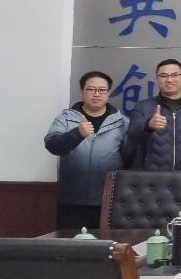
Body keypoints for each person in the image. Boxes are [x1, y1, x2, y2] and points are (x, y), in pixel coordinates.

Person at [44, 70, 133, 230]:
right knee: (73, 243)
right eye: (91, 89)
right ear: (82, 91)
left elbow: (130, 157)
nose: (96, 94)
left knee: (107, 243)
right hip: (72, 200)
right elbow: (52, 145)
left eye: (102, 90)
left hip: (109, 201)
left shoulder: (122, 122)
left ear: (109, 93)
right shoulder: (66, 118)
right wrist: (77, 133)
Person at [125, 58, 181, 174]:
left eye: (175, 75)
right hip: (151, 178)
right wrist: (148, 126)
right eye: (164, 76)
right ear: (157, 79)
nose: (169, 79)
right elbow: (131, 136)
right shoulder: (143, 107)